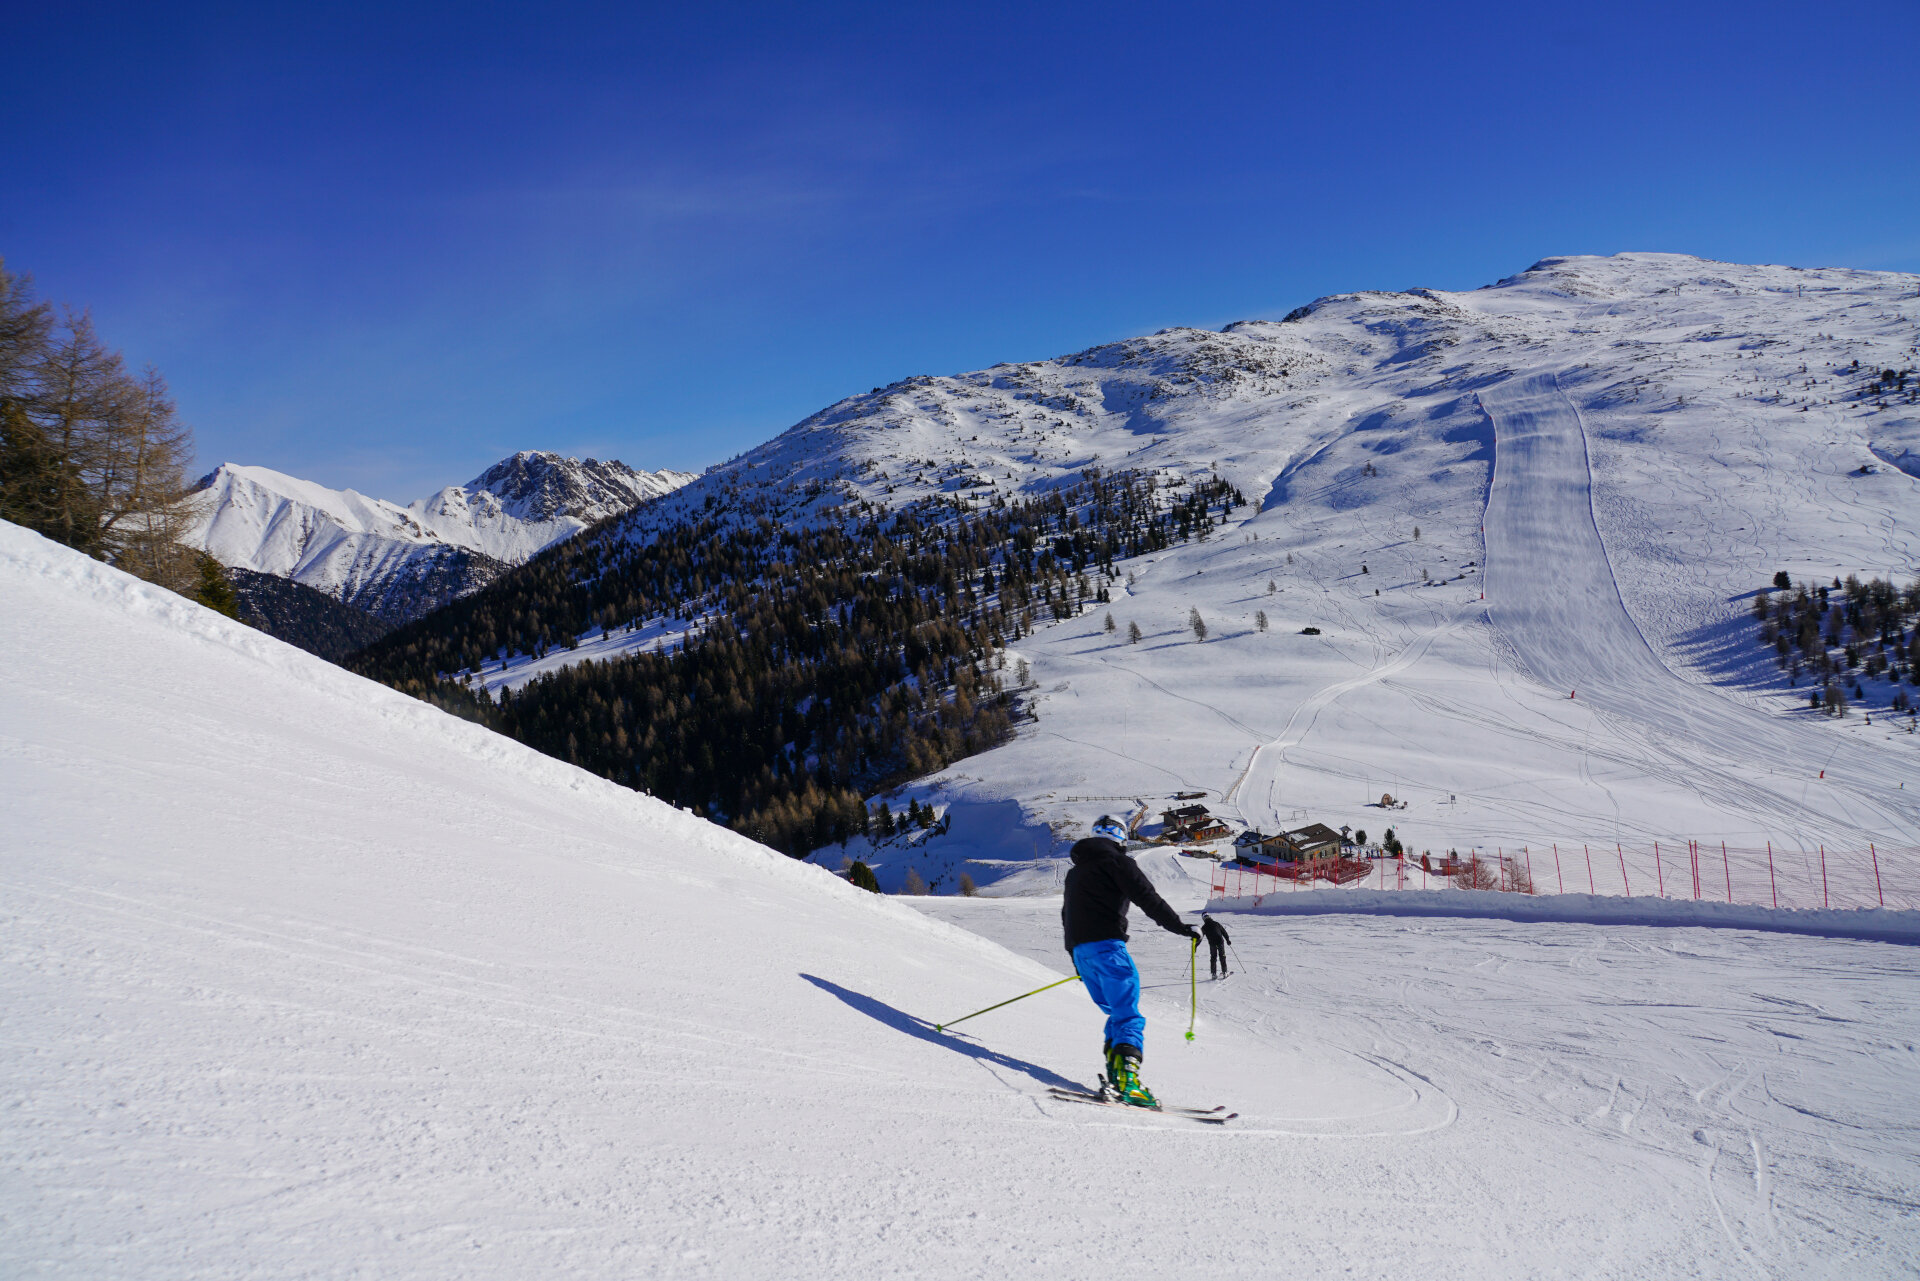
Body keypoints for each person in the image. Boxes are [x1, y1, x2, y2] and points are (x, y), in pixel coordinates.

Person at [1063, 815, 1200, 1107]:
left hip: (1082, 951)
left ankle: (1117, 1077)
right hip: (1107, 946)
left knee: (1117, 1013)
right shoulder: (1118, 863)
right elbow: (1146, 897)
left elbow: (1068, 916)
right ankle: (1128, 1083)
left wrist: (1077, 961)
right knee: (1128, 1014)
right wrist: (1180, 927)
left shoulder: (1076, 872)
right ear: (1121, 839)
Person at [1200, 913, 1231, 979]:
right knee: (1222, 956)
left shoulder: (1204, 927)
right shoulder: (1216, 923)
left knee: (1213, 957)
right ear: (1209, 917)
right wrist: (1227, 940)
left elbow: (1200, 936)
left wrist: (1196, 945)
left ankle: (1213, 974)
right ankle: (1224, 972)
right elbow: (1224, 932)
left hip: (1212, 943)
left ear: (1203, 919)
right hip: (1220, 942)